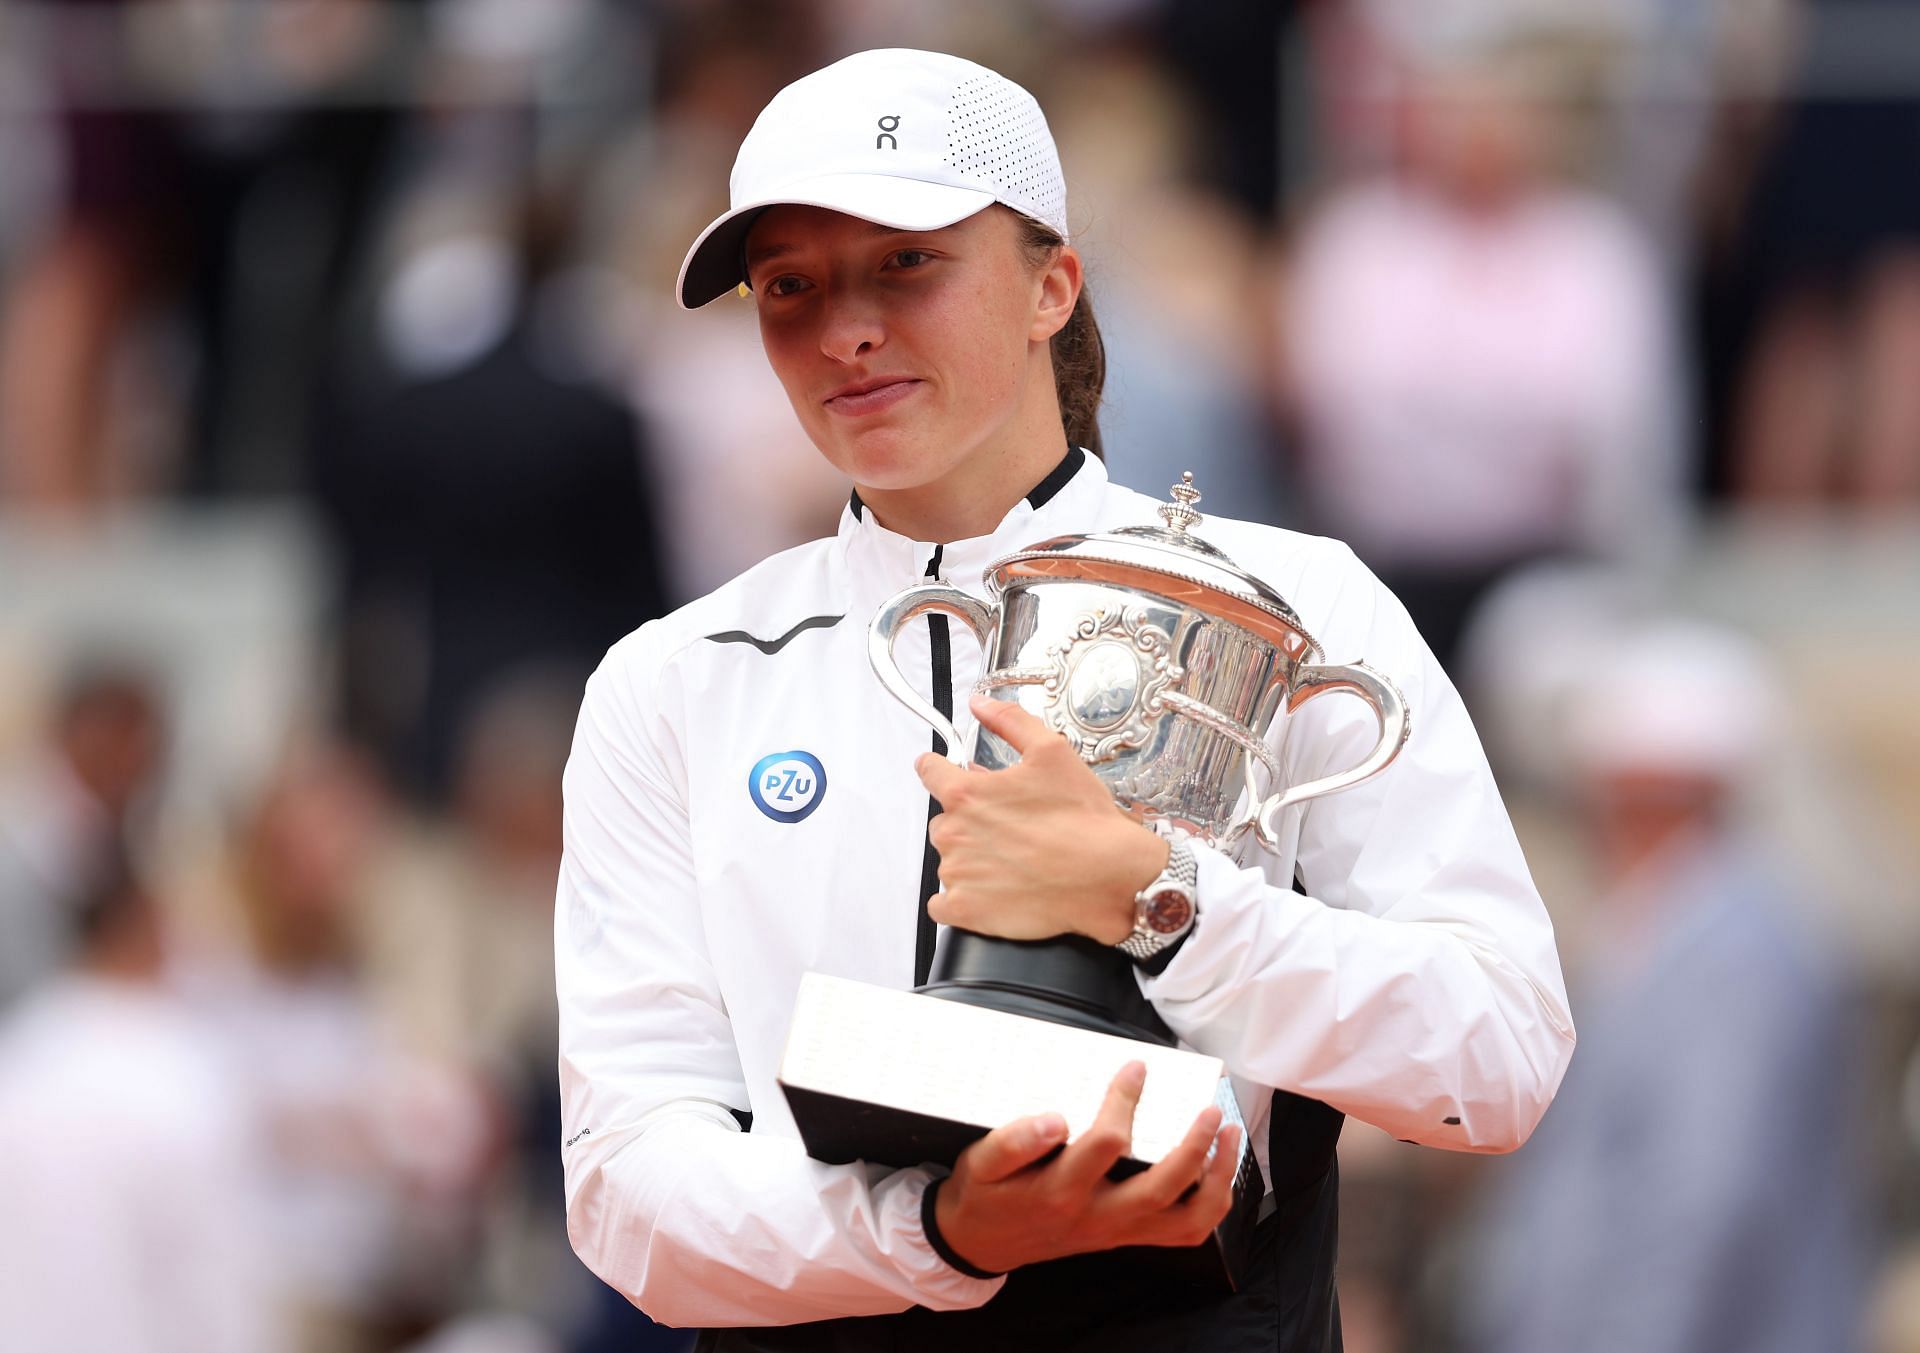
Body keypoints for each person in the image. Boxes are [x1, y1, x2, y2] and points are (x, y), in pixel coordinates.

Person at [555, 48, 1574, 1352]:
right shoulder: (676, 679)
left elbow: (1498, 1058)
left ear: (1053, 286)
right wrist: (940, 1230)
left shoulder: (1297, 599)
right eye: (791, 286)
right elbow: (625, 1182)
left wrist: (1164, 902)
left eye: (905, 264)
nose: (844, 331)